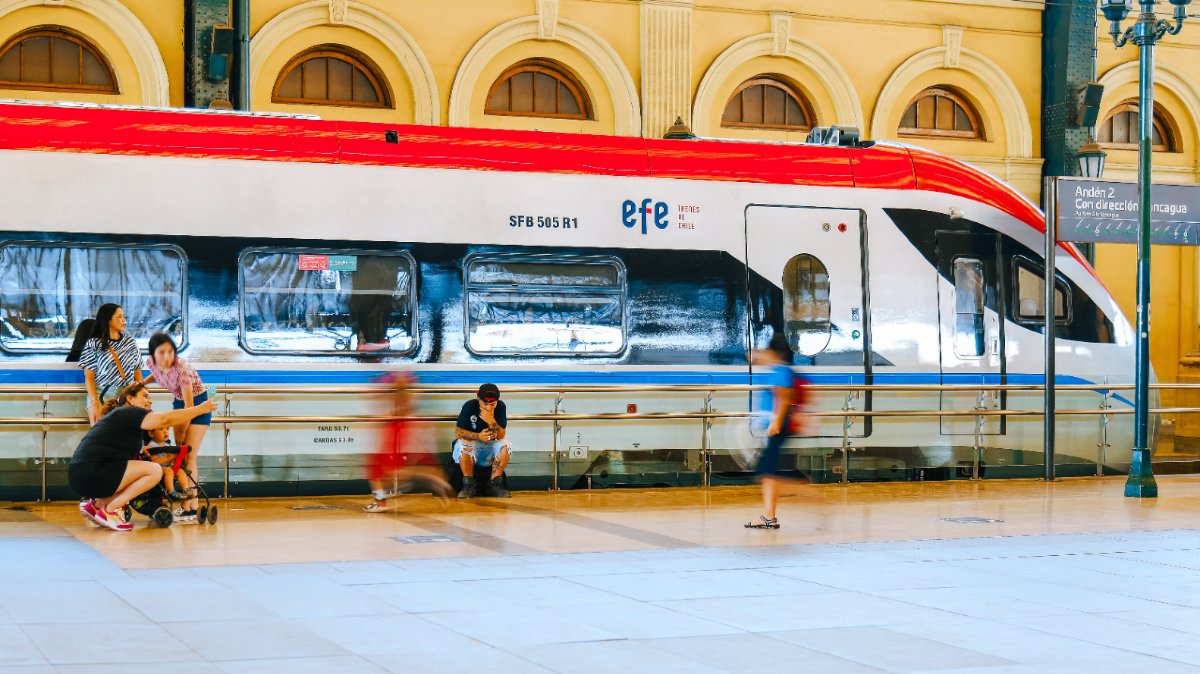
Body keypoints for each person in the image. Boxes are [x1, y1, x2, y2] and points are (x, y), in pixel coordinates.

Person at [69, 382, 217, 531]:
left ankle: (96, 506)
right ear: (130, 399)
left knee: (139, 472)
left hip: (81, 474)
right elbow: (164, 419)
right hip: (92, 473)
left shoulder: (122, 416)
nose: (150, 401)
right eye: (145, 396)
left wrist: (141, 448)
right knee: (154, 470)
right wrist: (199, 409)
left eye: (150, 397)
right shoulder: (129, 411)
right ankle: (110, 510)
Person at [363, 372, 453, 512]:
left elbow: (399, 411)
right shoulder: (405, 393)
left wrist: (382, 417)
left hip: (398, 432)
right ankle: (437, 479)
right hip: (400, 431)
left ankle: (382, 500)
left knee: (379, 467)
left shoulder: (401, 393)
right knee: (387, 468)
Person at [143, 333, 210, 518]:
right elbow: (157, 374)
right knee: (181, 455)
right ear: (153, 354)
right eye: (161, 352)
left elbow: (190, 408)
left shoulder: (182, 369)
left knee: (189, 454)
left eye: (170, 351)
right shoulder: (150, 363)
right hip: (179, 402)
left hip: (198, 405)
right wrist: (142, 383)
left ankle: (191, 505)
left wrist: (182, 431)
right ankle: (189, 504)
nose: (167, 356)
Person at [745, 333, 798, 530]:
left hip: (778, 427)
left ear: (775, 352)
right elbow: (751, 357)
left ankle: (772, 515)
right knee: (768, 471)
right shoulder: (776, 368)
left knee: (767, 471)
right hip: (775, 426)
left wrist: (775, 423)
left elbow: (783, 398)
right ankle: (769, 516)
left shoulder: (781, 371)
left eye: (767, 350)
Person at [80, 304, 143, 426]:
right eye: (119, 317)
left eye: (124, 317)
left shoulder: (131, 343)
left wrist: (140, 395)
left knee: (126, 433)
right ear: (107, 319)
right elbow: (89, 377)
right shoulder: (94, 344)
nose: (124, 320)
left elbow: (137, 372)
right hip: (102, 396)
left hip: (127, 396)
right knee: (101, 433)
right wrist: (95, 402)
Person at [453, 383, 511, 499]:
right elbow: (458, 432)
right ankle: (468, 485)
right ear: (478, 398)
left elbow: (501, 434)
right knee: (464, 443)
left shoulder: (500, 407)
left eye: (492, 404)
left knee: (506, 446)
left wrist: (491, 421)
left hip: (489, 447)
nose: (488, 408)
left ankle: (494, 484)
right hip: (471, 447)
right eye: (485, 403)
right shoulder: (470, 406)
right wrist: (478, 436)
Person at [141, 427, 192, 501]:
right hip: (156, 469)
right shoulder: (150, 446)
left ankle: (186, 490)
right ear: (151, 433)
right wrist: (169, 457)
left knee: (180, 471)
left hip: (167, 467)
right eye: (161, 429)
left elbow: (172, 459)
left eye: (167, 429)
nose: (165, 432)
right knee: (169, 471)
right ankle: (171, 491)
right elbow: (154, 462)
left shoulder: (167, 445)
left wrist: (174, 460)